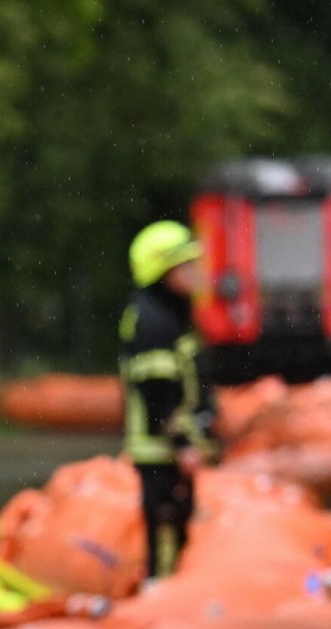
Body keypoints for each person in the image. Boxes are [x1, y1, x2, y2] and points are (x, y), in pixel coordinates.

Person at [119, 220, 217, 580]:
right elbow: (157, 392)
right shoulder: (153, 321)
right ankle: (159, 604)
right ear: (162, 270)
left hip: (173, 448)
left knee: (179, 528)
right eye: (185, 265)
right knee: (163, 536)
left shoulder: (172, 314)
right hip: (158, 451)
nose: (194, 272)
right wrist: (181, 444)